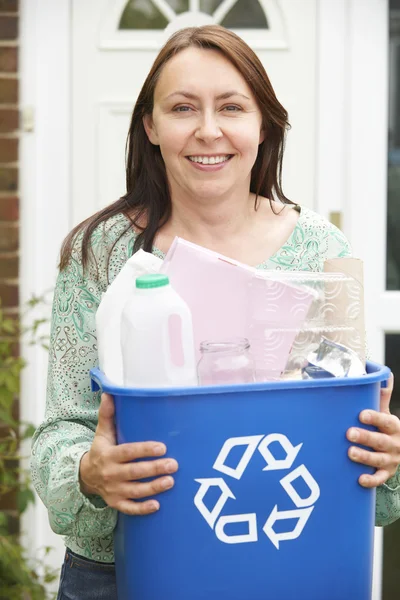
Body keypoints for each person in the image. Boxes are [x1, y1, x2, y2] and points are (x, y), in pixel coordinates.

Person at [31, 25, 400, 600]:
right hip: (125, 570)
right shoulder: (102, 255)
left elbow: (355, 440)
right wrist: (88, 470)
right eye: (182, 108)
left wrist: (382, 452)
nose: (208, 130)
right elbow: (62, 432)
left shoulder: (322, 253)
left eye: (231, 106)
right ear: (150, 127)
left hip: (288, 557)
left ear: (263, 125)